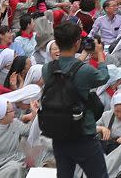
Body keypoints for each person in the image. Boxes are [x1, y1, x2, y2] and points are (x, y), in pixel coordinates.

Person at [42, 21, 110, 178]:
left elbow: (67, 73)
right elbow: (104, 76)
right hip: (83, 134)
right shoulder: (85, 70)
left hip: (58, 134)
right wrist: (99, 54)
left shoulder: (47, 69)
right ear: (77, 42)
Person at [0, 97, 40, 177]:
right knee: (16, 167)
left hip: (16, 160)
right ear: (2, 115)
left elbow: (32, 131)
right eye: (12, 111)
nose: (15, 113)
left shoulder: (15, 124)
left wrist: (34, 112)